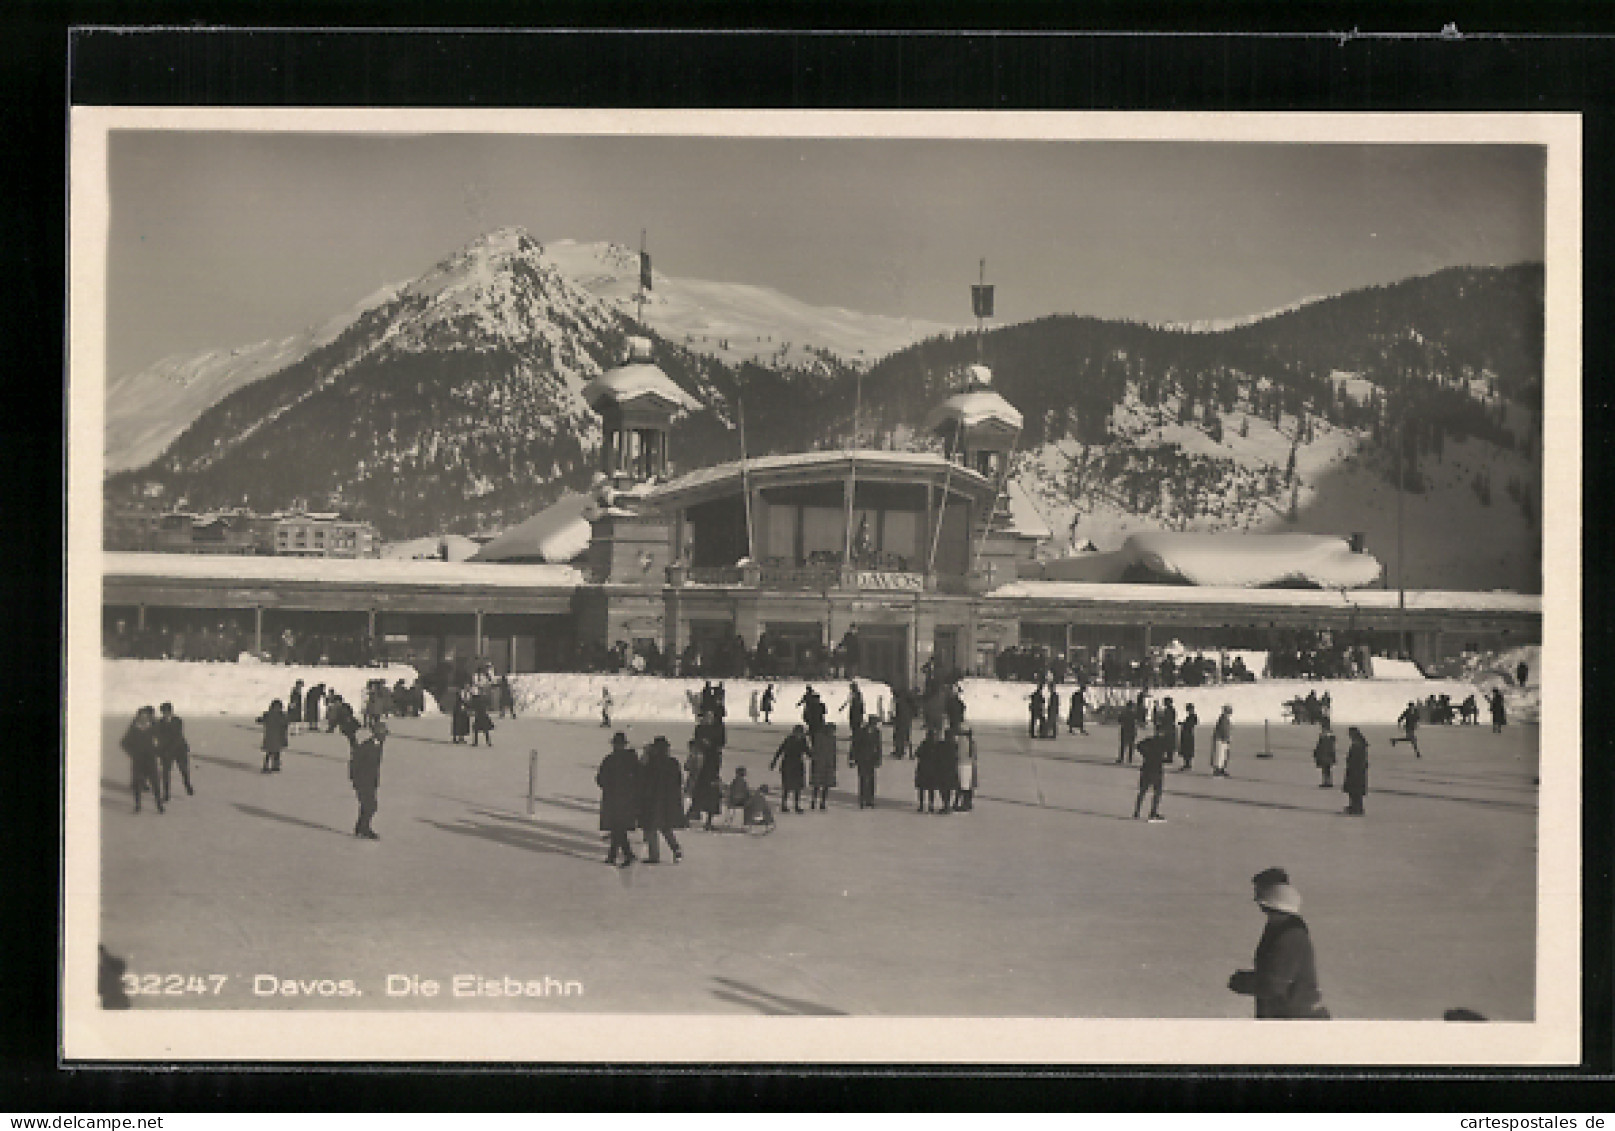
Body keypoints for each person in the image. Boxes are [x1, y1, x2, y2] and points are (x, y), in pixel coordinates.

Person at [1228, 869, 1330, 1019]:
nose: (1255, 897)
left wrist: (1243, 982)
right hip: (1287, 1015)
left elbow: (1274, 984)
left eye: (1259, 892)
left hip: (1296, 1019)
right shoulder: (1279, 928)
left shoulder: (1290, 935)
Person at [638, 736, 686, 864]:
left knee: (650, 828)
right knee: (666, 827)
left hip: (653, 800)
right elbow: (679, 781)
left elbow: (642, 778)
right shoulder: (673, 763)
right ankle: (676, 849)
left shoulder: (651, 763)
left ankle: (654, 856)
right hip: (669, 800)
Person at [597, 732, 640, 866]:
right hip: (628, 798)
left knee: (617, 827)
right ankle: (614, 855)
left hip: (613, 798)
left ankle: (624, 855)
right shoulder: (632, 760)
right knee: (618, 827)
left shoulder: (609, 759)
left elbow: (600, 779)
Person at [120, 706, 164, 814]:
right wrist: (133, 753)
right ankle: (138, 806)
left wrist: (156, 750)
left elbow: (161, 740)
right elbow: (124, 743)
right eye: (142, 716)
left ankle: (159, 805)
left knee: (155, 783)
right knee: (138, 784)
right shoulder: (134, 728)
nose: (144, 718)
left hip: (150, 760)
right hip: (138, 761)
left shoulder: (153, 727)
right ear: (138, 717)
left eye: (146, 716)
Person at [347, 720, 387, 840]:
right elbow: (354, 762)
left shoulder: (378, 745)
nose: (385, 737)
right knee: (370, 805)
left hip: (370, 780)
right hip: (362, 780)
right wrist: (354, 779)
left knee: (368, 805)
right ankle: (364, 829)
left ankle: (361, 827)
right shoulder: (366, 746)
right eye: (383, 733)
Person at [154, 701, 193, 802]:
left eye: (168, 712)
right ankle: (166, 794)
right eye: (164, 712)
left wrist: (167, 749)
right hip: (166, 751)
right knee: (165, 772)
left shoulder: (178, 721)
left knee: (183, 769)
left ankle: (187, 784)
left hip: (179, 749)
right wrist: (159, 750)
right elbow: (158, 737)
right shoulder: (159, 723)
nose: (166, 714)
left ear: (171, 712)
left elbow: (177, 737)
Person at [687, 727, 724, 831]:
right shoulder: (710, 755)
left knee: (699, 800)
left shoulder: (704, 754)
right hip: (706, 779)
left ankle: (694, 817)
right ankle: (705, 821)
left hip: (703, 779)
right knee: (709, 801)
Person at [1132, 732, 1170, 822]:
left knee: (1143, 791)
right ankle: (1153, 812)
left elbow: (1138, 746)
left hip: (1147, 767)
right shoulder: (1163, 743)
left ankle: (1137, 811)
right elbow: (1169, 758)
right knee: (1157, 792)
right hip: (1157, 768)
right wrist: (1162, 759)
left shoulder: (1150, 740)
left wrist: (1146, 754)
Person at [771, 725, 809, 814]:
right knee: (787, 786)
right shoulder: (789, 740)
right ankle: (784, 805)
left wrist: (814, 756)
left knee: (797, 787)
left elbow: (807, 751)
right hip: (788, 765)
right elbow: (780, 751)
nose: (800, 735)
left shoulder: (803, 741)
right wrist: (774, 762)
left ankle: (796, 805)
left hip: (797, 765)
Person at [850, 716, 882, 809]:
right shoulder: (861, 732)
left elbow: (878, 746)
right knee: (863, 779)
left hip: (872, 759)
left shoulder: (877, 732)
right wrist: (852, 758)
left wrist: (878, 759)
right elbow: (854, 745)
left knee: (871, 779)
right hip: (862, 758)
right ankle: (862, 799)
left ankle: (870, 799)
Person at [914, 726, 945, 813]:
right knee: (931, 788)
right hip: (933, 769)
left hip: (923, 768)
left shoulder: (924, 744)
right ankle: (930, 805)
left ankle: (921, 805)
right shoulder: (937, 745)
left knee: (922, 789)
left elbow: (917, 753)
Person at [809, 722, 839, 810]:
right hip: (820, 763)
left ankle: (822, 802)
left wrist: (834, 764)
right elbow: (815, 750)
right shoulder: (819, 737)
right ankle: (814, 801)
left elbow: (834, 752)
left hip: (828, 764)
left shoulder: (832, 738)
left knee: (826, 785)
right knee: (817, 785)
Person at [257, 698, 288, 774]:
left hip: (270, 736)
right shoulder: (281, 716)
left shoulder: (268, 714)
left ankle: (267, 766)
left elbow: (260, 720)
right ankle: (275, 766)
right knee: (276, 752)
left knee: (269, 752)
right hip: (278, 736)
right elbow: (285, 724)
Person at [1342, 727, 1369, 815]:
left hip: (1356, 771)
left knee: (1355, 790)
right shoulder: (1360, 745)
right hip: (1356, 770)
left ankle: (1356, 808)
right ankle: (1355, 806)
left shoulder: (1358, 745)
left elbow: (1357, 759)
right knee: (1355, 790)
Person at [953, 727, 979, 812]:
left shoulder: (961, 742)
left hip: (962, 764)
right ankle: (967, 803)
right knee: (968, 785)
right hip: (970, 765)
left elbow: (957, 755)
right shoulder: (971, 742)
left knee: (962, 786)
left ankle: (964, 804)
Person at [1210, 704, 1234, 777]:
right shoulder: (1223, 719)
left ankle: (1221, 768)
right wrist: (1226, 737)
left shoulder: (1224, 719)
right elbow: (1223, 730)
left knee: (1223, 755)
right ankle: (1218, 769)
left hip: (1223, 739)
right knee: (1219, 755)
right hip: (1220, 739)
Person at [1313, 720, 1338, 788]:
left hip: (1326, 755)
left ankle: (1327, 782)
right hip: (1324, 755)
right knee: (1325, 769)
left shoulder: (1327, 737)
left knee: (1326, 769)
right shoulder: (1325, 737)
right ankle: (1326, 781)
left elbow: (1328, 747)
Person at [891, 688, 914, 759]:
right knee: (904, 736)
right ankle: (902, 751)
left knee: (899, 736)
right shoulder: (907, 703)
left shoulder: (900, 703)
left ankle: (899, 751)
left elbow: (897, 713)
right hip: (905, 721)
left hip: (901, 721)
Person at [1176, 704, 1198, 772]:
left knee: (1187, 749)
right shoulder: (1191, 716)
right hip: (1187, 734)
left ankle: (1187, 764)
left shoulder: (1192, 716)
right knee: (1186, 750)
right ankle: (1187, 764)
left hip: (1188, 735)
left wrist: (1183, 724)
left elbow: (1190, 724)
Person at [1157, 696, 1178, 764]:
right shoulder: (1170, 709)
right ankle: (1169, 756)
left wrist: (1161, 721)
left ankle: (1169, 757)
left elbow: (1167, 719)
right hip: (1169, 727)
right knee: (1168, 742)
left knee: (1168, 742)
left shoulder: (1169, 710)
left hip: (1168, 728)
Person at [1116, 699, 1138, 765]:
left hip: (1125, 729)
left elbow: (1119, 720)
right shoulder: (1134, 713)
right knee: (1131, 744)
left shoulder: (1124, 713)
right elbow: (1136, 721)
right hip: (1131, 730)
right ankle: (1129, 758)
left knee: (1123, 744)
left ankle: (1121, 758)